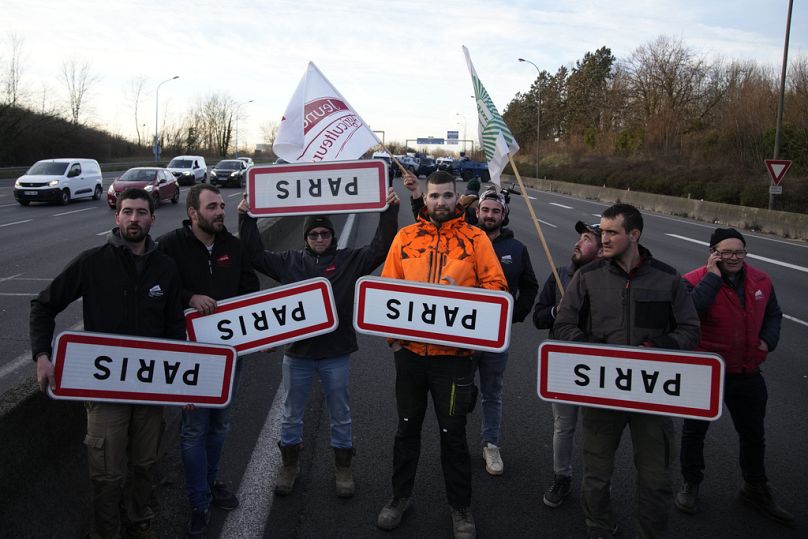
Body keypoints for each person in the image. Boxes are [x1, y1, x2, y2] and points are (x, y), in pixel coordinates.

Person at [30, 188, 186, 539]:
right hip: (104, 390)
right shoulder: (92, 262)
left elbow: (175, 327)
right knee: (106, 474)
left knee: (145, 464)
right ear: (117, 217)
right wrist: (42, 356)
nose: (134, 219)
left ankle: (138, 521)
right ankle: (106, 532)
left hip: (150, 389)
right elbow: (43, 306)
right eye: (127, 212)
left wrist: (183, 384)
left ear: (152, 218)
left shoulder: (166, 268)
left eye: (141, 212)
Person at [238, 188, 399, 498]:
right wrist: (246, 217)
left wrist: (389, 211)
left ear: (332, 236)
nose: (320, 238)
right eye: (314, 234)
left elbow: (380, 248)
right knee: (291, 414)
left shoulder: (348, 260)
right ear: (306, 237)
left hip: (335, 353)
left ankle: (343, 467)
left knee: (341, 413)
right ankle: (289, 465)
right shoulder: (289, 261)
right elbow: (255, 255)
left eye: (325, 233)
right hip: (298, 354)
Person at [553, 203, 700, 539]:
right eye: (602, 232)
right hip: (602, 392)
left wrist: (656, 346)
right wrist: (591, 347)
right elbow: (563, 324)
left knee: (656, 478)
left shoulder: (668, 278)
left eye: (611, 232)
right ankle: (598, 526)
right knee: (596, 473)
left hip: (651, 395)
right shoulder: (587, 276)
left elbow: (690, 330)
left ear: (634, 235)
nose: (603, 239)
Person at [376, 170, 508, 539]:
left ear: (456, 197)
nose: (440, 202)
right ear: (427, 198)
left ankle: (460, 507)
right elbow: (386, 290)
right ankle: (399, 497)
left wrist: (463, 299)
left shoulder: (475, 238)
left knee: (453, 434)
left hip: (454, 359)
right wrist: (393, 340)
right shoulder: (406, 237)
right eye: (434, 196)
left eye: (447, 196)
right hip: (410, 356)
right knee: (407, 429)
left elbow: (497, 288)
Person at [157, 184, 260, 537]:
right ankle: (197, 500)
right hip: (190, 355)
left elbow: (250, 289)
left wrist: (261, 332)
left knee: (220, 424)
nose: (220, 212)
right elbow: (156, 292)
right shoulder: (169, 246)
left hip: (229, 354)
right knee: (193, 430)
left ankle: (211, 482)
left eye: (221, 206)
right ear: (193, 213)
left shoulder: (232, 246)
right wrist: (189, 297)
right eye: (212, 207)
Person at [674, 228, 792, 524]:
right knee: (694, 432)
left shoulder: (761, 280)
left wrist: (767, 341)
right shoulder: (692, 281)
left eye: (739, 252)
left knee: (753, 433)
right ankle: (691, 482)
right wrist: (712, 277)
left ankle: (755, 487)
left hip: (746, 370)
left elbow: (774, 313)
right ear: (713, 253)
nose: (734, 258)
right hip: (706, 372)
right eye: (726, 252)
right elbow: (689, 314)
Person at [533, 221, 602, 507]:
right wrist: (555, 311)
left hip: (599, 366)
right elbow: (538, 318)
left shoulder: (612, 281)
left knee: (598, 429)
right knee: (564, 426)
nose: (577, 243)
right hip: (563, 364)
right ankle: (562, 476)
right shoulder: (559, 275)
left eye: (586, 239)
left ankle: (598, 484)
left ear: (602, 250)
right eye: (580, 237)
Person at [472, 187, 538, 476]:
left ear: (504, 215)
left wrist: (513, 315)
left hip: (496, 336)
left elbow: (530, 286)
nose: (490, 215)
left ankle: (491, 444)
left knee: (492, 392)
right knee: (457, 389)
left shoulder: (517, 249)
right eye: (485, 210)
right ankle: (453, 442)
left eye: (495, 211)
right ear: (477, 211)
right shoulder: (463, 240)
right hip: (460, 333)